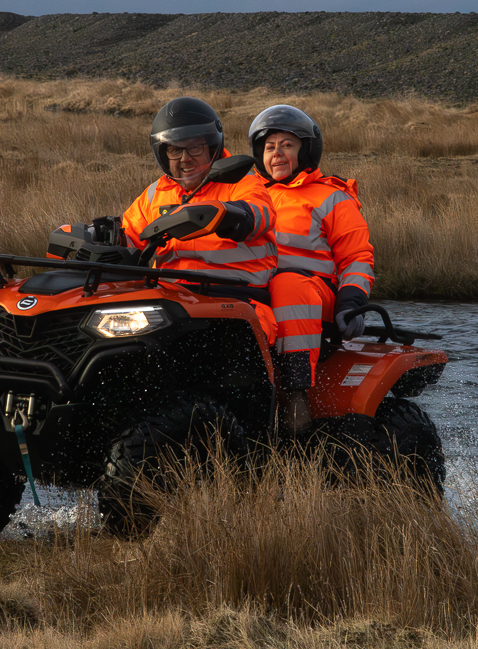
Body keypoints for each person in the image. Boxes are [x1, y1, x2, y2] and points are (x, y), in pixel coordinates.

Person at [249, 104, 376, 437]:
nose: (276, 153)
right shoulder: (250, 196)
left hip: (315, 295)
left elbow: (357, 257)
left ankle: (295, 394)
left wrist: (352, 302)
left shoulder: (332, 197)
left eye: (287, 145)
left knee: (287, 284)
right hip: (258, 293)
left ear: (305, 151)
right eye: (269, 146)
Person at [119, 97, 276, 285]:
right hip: (172, 298)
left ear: (211, 149)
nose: (185, 158)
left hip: (237, 294)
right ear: (164, 155)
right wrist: (102, 238)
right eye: (174, 150)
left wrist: (228, 215)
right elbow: (128, 240)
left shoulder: (239, 180)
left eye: (194, 147)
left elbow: (260, 214)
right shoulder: (155, 194)